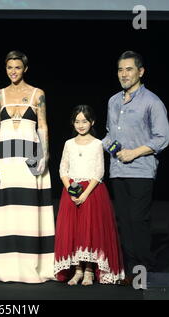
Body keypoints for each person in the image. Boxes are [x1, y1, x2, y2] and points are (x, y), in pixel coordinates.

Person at [102, 51, 169, 285]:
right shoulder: (113, 101)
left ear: (140, 72)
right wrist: (110, 147)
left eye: (129, 69)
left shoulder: (152, 101)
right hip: (117, 170)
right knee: (124, 220)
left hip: (141, 170)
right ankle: (130, 270)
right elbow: (110, 134)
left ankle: (144, 270)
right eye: (120, 69)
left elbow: (162, 137)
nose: (124, 74)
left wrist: (134, 152)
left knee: (138, 220)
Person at [0, 50, 55, 283]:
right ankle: (6, 268)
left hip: (29, 159)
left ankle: (31, 266)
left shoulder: (38, 94)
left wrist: (44, 156)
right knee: (7, 211)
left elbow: (43, 127)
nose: (13, 72)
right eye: (9, 68)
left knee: (28, 212)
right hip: (5, 160)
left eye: (17, 67)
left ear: (25, 68)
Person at [54, 105, 125, 285]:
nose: (81, 125)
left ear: (92, 122)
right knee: (74, 231)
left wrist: (85, 194)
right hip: (71, 190)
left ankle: (89, 271)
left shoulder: (97, 144)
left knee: (89, 231)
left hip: (92, 192)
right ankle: (77, 269)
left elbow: (99, 172)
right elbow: (63, 168)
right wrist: (71, 189)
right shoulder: (68, 144)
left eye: (84, 121)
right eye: (77, 121)